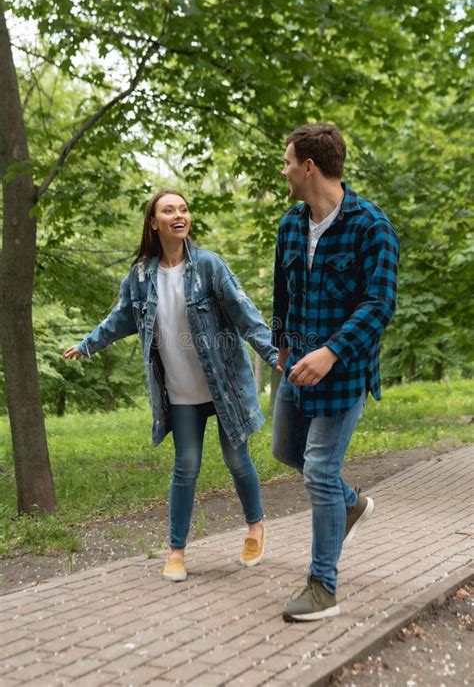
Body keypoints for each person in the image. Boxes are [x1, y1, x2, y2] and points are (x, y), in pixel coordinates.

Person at [64, 189, 279, 581]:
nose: (179, 215)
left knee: (236, 459)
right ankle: (177, 551)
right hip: (181, 392)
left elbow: (245, 313)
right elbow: (119, 318)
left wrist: (274, 354)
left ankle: (255, 526)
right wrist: (87, 345)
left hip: (224, 386)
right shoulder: (142, 277)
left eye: (183, 209)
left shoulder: (210, 267)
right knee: (186, 466)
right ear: (153, 222)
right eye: (169, 210)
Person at [272, 123, 399, 622]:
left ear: (308, 167)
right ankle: (348, 505)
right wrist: (283, 345)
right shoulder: (289, 225)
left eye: (286, 162)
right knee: (288, 451)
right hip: (297, 366)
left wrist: (332, 352)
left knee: (320, 468)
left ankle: (323, 586)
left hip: (344, 372)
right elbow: (283, 293)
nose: (283, 171)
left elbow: (379, 303)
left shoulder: (371, 225)